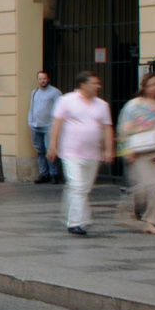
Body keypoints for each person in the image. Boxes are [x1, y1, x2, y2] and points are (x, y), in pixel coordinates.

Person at [116, 71, 155, 235]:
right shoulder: (134, 105)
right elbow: (124, 128)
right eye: (152, 84)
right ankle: (130, 208)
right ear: (144, 86)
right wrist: (127, 149)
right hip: (140, 151)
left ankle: (150, 221)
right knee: (144, 186)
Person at [50, 72, 113, 236]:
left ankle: (72, 215)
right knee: (77, 187)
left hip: (92, 154)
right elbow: (56, 124)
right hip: (71, 152)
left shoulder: (102, 105)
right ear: (82, 85)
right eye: (94, 83)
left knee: (82, 189)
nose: (97, 86)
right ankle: (75, 223)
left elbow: (107, 128)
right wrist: (52, 146)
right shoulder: (66, 100)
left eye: (98, 83)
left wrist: (108, 149)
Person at [26, 70, 63, 185]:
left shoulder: (55, 92)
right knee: (40, 151)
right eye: (40, 79)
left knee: (49, 150)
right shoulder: (35, 92)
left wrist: (54, 125)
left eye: (44, 78)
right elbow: (32, 107)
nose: (42, 81)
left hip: (48, 126)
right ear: (38, 80)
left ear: (48, 79)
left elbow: (59, 109)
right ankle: (44, 174)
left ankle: (54, 174)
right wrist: (30, 121)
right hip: (35, 125)